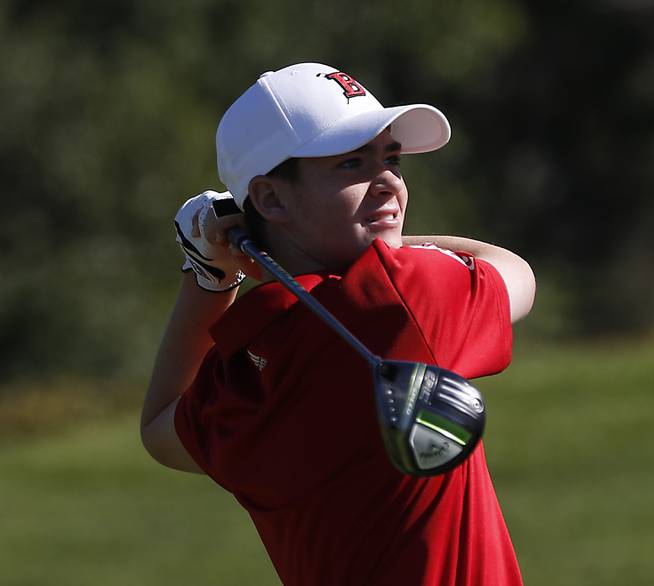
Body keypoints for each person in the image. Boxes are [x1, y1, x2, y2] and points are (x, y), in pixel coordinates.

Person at [140, 62, 536, 585]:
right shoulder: (407, 300)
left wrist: (211, 274)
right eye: (353, 163)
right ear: (271, 198)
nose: (390, 182)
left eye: (390, 159)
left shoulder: (243, 375)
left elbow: (158, 428)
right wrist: (385, 253)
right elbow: (515, 272)